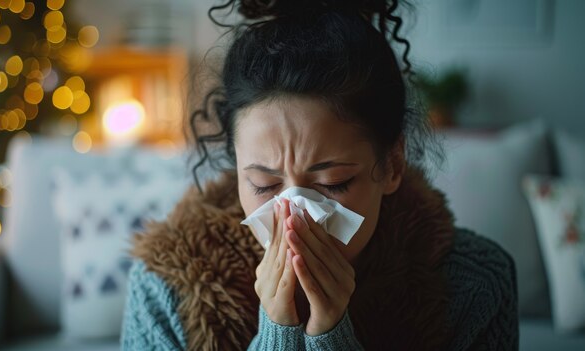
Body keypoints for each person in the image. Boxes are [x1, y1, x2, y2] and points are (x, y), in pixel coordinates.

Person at [120, 0, 519, 349]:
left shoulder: (475, 286)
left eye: (333, 184)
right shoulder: (164, 289)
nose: (295, 214)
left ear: (393, 165)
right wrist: (278, 332)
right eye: (265, 184)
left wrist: (332, 336)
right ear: (237, 167)